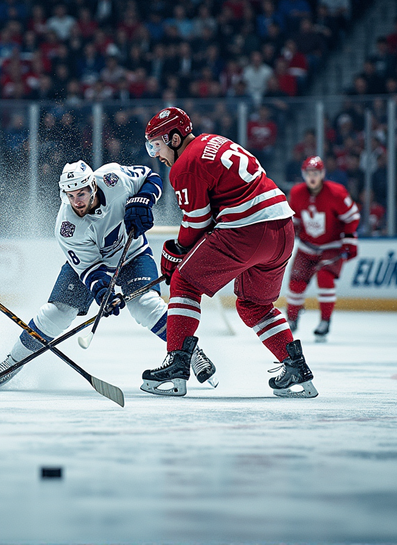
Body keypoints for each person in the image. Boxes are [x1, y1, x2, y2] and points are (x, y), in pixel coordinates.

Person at [0, 160, 216, 389]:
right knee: (57, 314)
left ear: (92, 185)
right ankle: (12, 363)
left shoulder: (114, 179)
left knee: (145, 305)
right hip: (90, 266)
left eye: (80, 194)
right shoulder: (66, 226)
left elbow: (149, 176)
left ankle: (192, 354)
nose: (76, 202)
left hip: (132, 254)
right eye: (70, 196)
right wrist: (103, 291)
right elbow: (90, 270)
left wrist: (143, 200)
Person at [144, 106, 317, 398]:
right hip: (283, 229)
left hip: (247, 229)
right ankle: (296, 368)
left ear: (174, 138)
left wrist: (176, 252)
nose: (156, 154)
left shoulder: (184, 163)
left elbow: (198, 220)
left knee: (184, 282)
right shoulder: (213, 141)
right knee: (254, 305)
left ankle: (176, 365)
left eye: (156, 145)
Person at [284, 155, 360, 342]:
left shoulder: (337, 192)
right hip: (307, 247)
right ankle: (292, 318)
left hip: (331, 246)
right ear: (304, 174)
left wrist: (350, 239)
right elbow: (295, 221)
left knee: (325, 279)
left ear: (322, 174)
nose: (312, 177)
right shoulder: (296, 193)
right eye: (309, 173)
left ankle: (325, 321)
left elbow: (353, 217)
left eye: (316, 173)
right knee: (296, 283)